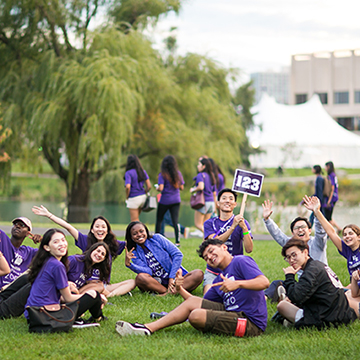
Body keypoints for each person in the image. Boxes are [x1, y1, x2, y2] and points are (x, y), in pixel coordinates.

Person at [115, 238, 269, 337]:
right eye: (206, 258)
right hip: (231, 313)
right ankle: (147, 329)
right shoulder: (219, 278)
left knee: (196, 316)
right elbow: (194, 301)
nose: (209, 257)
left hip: (250, 322)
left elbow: (264, 282)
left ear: (224, 247)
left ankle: (152, 326)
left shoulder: (240, 261)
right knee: (193, 307)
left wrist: (238, 283)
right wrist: (180, 288)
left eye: (210, 251)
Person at [32, 206, 135, 296]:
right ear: (92, 230)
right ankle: (105, 294)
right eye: (97, 226)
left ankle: (109, 295)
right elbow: (68, 227)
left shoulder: (114, 244)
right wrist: (49, 215)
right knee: (97, 287)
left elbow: (134, 242)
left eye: (103, 227)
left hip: (103, 284)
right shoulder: (85, 241)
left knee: (132, 282)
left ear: (107, 230)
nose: (100, 229)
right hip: (85, 283)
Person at [262, 199, 342, 301]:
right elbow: (278, 235)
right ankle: (261, 300)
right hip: (303, 285)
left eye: (303, 227)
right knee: (276, 283)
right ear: (292, 233)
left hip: (321, 284)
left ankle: (287, 299)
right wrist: (267, 219)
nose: (300, 230)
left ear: (309, 230)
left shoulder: (317, 243)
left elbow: (321, 232)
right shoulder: (292, 246)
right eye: (296, 228)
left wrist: (316, 212)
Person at [25, 229, 106, 328]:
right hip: (46, 315)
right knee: (94, 294)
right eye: (56, 242)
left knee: (92, 294)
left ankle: (96, 317)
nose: (62, 244)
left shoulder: (46, 261)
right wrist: (95, 297)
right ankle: (98, 317)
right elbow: (68, 298)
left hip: (32, 314)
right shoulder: (57, 265)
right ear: (46, 247)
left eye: (63, 240)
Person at [277, 238, 357, 329]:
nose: (291, 260)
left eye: (294, 255)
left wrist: (289, 277)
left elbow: (296, 296)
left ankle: (292, 318)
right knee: (291, 301)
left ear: (305, 252)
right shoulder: (317, 265)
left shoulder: (311, 271)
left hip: (327, 319)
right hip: (342, 314)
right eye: (288, 257)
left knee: (282, 306)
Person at [125, 221, 203, 295]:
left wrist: (171, 278)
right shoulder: (134, 252)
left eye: (141, 231)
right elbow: (148, 271)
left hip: (175, 279)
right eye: (135, 233)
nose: (139, 234)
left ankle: (170, 292)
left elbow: (177, 255)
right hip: (157, 284)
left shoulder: (157, 238)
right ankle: (169, 292)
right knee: (140, 278)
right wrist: (130, 265)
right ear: (131, 237)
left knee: (198, 274)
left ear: (146, 231)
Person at [202, 188, 253, 294]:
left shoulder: (242, 222)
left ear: (235, 204)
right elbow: (214, 243)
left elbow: (249, 249)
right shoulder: (209, 223)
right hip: (214, 272)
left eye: (231, 199)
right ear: (218, 203)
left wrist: (244, 228)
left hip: (234, 271)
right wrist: (232, 227)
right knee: (208, 296)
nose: (227, 201)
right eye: (224, 198)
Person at [303, 195, 360, 284]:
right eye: (344, 234)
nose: (347, 236)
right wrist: (317, 211)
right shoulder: (347, 250)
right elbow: (331, 232)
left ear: (358, 237)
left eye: (350, 233)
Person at [67, 242, 131, 298]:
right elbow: (57, 272)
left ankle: (81, 298)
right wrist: (67, 282)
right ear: (91, 250)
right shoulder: (75, 260)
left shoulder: (92, 268)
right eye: (98, 251)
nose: (99, 255)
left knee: (99, 286)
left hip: (76, 291)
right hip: (64, 289)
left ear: (103, 259)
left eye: (103, 254)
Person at [0, 217, 41, 289]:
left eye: (22, 225)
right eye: (15, 224)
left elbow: (51, 253)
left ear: (28, 233)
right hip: (3, 289)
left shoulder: (29, 252)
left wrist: (43, 241)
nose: (17, 226)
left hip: (18, 291)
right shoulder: (3, 240)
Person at [155, 155, 185, 246]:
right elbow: (182, 187)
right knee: (175, 221)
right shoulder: (178, 174)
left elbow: (161, 188)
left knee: (159, 220)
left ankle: (156, 239)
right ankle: (177, 241)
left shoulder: (162, 175)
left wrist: (157, 188)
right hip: (176, 200)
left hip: (165, 200)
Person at [190, 157, 216, 233]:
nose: (197, 166)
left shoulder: (200, 175)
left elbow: (201, 187)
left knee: (198, 224)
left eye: (199, 164)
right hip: (211, 202)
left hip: (204, 202)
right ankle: (206, 242)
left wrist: (193, 190)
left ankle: (212, 237)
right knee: (205, 225)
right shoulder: (211, 176)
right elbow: (214, 192)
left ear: (203, 166)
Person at [124, 154, 151, 222]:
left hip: (134, 198)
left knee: (134, 220)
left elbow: (128, 187)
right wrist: (145, 191)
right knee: (137, 219)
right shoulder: (142, 172)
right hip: (142, 197)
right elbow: (149, 186)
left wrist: (127, 196)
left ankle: (141, 232)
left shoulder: (128, 173)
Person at [324, 161, 341, 233]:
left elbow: (332, 188)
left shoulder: (331, 175)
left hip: (332, 197)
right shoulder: (334, 175)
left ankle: (331, 232)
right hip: (335, 197)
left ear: (328, 167)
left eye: (325, 167)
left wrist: (329, 200)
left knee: (328, 217)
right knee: (329, 216)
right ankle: (338, 228)